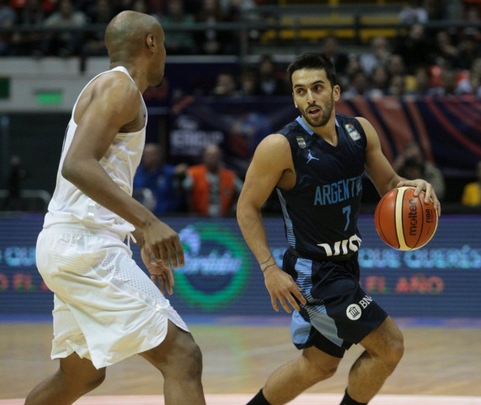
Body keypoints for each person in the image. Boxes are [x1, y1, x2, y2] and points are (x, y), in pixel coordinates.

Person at [236, 52, 441, 405]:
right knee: (390, 346)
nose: (309, 98)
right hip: (314, 272)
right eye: (300, 91)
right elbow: (246, 206)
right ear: (294, 98)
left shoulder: (358, 131)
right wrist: (269, 268)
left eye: (317, 88)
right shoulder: (280, 146)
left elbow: (390, 183)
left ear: (335, 91)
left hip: (346, 265)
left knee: (318, 365)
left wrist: (414, 187)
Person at [25, 11, 205, 405]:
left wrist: (137, 233)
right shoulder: (119, 87)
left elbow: (98, 178)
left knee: (80, 375)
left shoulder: (113, 88)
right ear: (151, 43)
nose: (165, 55)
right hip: (84, 246)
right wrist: (149, 221)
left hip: (69, 243)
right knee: (183, 356)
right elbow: (78, 164)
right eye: (164, 46)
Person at [186, 144, 243, 217]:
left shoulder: (230, 176)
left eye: (215, 155)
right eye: (209, 155)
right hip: (199, 217)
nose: (212, 158)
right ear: (204, 157)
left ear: (220, 158)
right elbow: (183, 188)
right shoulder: (193, 173)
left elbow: (244, 191)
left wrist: (235, 206)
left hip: (224, 218)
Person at [133, 143, 188, 214]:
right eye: (144, 155)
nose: (145, 158)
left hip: (167, 215)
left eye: (149, 155)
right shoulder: (136, 173)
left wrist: (181, 170)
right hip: (142, 214)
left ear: (158, 156)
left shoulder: (167, 172)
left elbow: (182, 169)